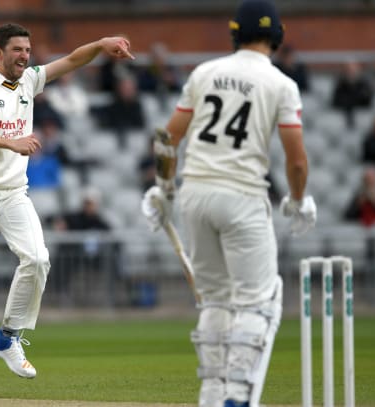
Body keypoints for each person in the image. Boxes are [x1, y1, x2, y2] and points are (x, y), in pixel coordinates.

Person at [0, 23, 134, 398]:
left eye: (28, 51)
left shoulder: (29, 81)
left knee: (37, 258)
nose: (24, 56)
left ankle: (7, 337)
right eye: (17, 50)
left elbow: (71, 61)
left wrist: (101, 44)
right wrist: (9, 142)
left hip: (14, 192)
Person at [141, 2, 316, 406]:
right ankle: (236, 396)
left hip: (195, 194)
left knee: (215, 299)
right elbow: (296, 158)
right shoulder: (281, 84)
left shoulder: (205, 73)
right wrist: (299, 200)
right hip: (242, 194)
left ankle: (212, 392)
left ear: (234, 33)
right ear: (277, 37)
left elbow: (167, 139)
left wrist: (163, 190)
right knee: (258, 302)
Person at [331, 60, 374, 129]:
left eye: (353, 70)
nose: (351, 72)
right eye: (348, 70)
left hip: (361, 113)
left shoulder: (364, 84)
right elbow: (336, 101)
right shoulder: (340, 85)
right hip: (345, 112)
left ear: (358, 70)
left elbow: (367, 101)